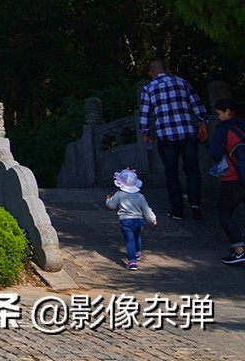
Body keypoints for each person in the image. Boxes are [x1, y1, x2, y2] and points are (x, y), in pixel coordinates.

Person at [137, 60, 208, 219]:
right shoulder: (182, 82)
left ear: (150, 73)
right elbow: (196, 103)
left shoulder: (149, 88)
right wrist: (202, 122)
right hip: (187, 132)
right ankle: (195, 202)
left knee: (171, 172)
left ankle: (178, 209)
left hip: (166, 135)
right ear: (167, 70)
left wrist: (145, 132)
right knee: (192, 168)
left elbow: (145, 113)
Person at [208, 100, 245, 265]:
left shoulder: (223, 129)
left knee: (225, 212)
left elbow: (216, 153)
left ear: (228, 111)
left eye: (219, 113)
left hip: (233, 177)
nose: (218, 116)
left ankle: (239, 250)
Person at [105, 168, 157, 270]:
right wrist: (152, 219)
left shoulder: (119, 194)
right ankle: (137, 252)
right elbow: (146, 209)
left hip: (126, 220)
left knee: (129, 240)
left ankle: (132, 261)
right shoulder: (140, 196)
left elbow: (112, 205)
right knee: (137, 236)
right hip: (138, 220)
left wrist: (108, 200)